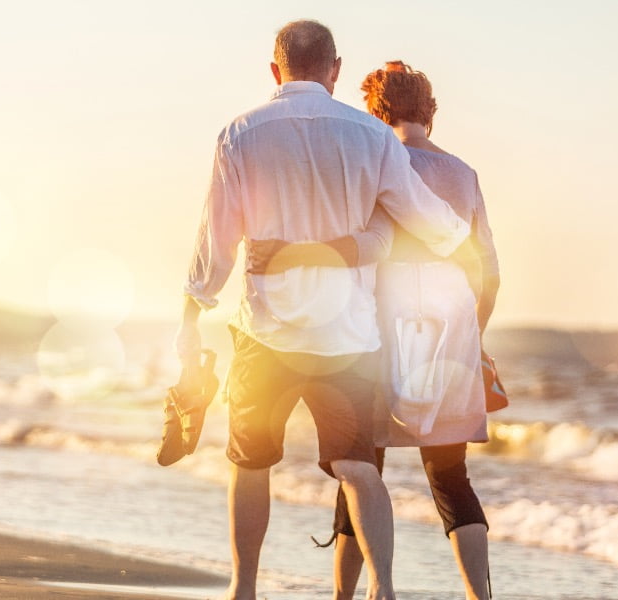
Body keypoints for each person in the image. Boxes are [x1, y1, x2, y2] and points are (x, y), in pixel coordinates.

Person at [175, 23, 471, 600]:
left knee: (250, 461)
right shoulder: (373, 136)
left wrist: (192, 310)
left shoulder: (239, 134)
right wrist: (459, 233)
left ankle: (244, 589)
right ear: (335, 69)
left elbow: (217, 240)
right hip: (348, 336)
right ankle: (383, 589)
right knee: (358, 467)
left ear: (274, 71)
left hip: (265, 332)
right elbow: (432, 225)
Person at [248, 61, 500, 600]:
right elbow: (489, 274)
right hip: (452, 315)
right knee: (450, 475)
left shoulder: (372, 158)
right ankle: (481, 597)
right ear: (429, 110)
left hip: (380, 314)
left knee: (362, 464)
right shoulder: (464, 173)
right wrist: (473, 339)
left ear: (375, 110)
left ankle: (347, 595)